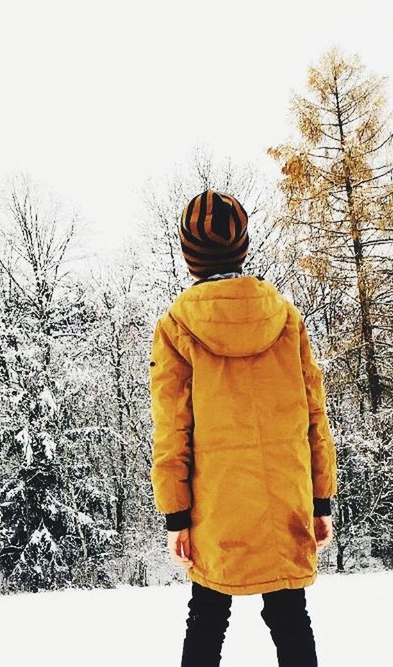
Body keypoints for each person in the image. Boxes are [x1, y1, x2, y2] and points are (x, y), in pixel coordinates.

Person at [148, 189, 337, 666]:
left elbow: (172, 430)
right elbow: (315, 414)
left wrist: (176, 516)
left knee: (207, 616)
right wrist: (320, 500)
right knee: (291, 614)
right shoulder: (286, 317)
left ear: (189, 253)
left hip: (217, 504)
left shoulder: (177, 326)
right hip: (285, 495)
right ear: (243, 246)